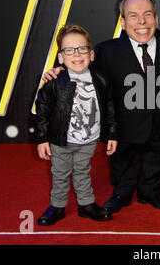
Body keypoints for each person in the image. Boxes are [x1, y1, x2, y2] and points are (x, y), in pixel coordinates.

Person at [44, 0, 160, 213]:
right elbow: (89, 76)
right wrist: (60, 72)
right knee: (123, 161)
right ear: (123, 22)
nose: (142, 21)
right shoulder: (107, 50)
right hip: (124, 125)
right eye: (133, 16)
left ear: (156, 19)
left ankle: (151, 192)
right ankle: (122, 193)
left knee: (158, 156)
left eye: (148, 14)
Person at [35, 24, 118, 225]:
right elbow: (43, 111)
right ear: (61, 57)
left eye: (81, 49)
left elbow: (109, 107)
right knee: (60, 173)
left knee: (82, 171)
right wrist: (42, 138)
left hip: (88, 139)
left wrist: (113, 134)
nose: (76, 54)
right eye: (69, 50)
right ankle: (58, 206)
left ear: (91, 54)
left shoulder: (101, 79)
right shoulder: (55, 82)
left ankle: (86, 205)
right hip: (60, 139)